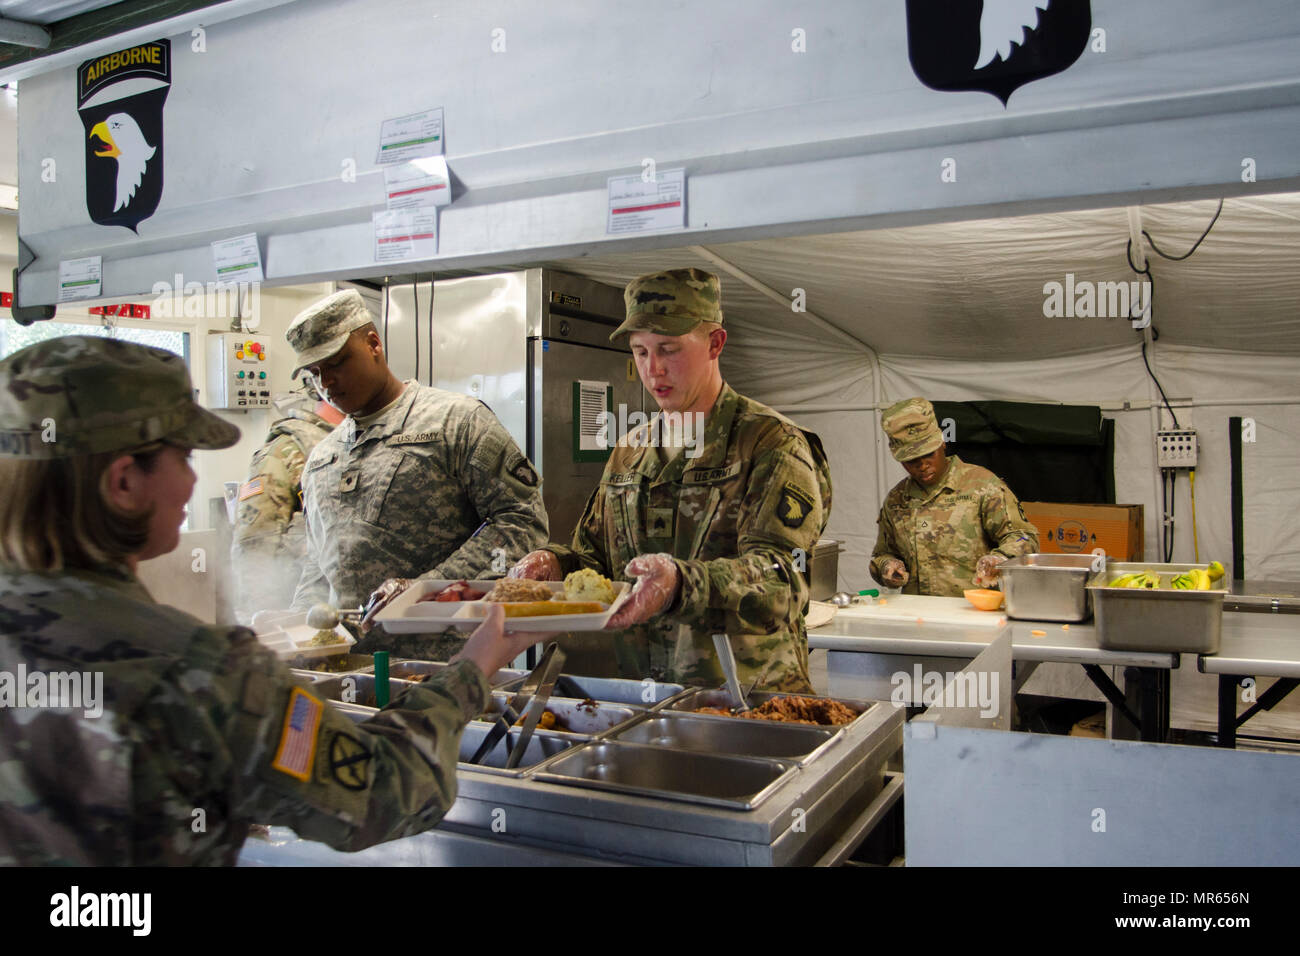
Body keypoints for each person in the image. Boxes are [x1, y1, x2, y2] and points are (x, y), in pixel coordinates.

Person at [0, 336, 537, 865]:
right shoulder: (201, 673)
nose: (192, 480)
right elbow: (388, 790)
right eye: (184, 456)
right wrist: (475, 665)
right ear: (123, 484)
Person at [509, 268, 832, 693]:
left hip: (749, 702)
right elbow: (596, 560)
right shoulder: (629, 452)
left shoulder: (770, 444)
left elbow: (782, 583)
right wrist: (556, 563)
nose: (653, 370)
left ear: (716, 343)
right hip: (649, 698)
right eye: (640, 352)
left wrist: (681, 584)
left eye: (669, 349)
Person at [283, 290, 549, 656]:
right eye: (315, 373)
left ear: (373, 343)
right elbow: (319, 562)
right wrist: (295, 628)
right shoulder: (320, 458)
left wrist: (425, 589)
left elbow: (523, 523)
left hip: (446, 666)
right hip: (348, 666)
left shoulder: (457, 422)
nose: (326, 383)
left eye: (336, 363)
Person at [869, 397, 1039, 596]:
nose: (922, 465)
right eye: (911, 460)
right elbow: (881, 554)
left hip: (973, 611)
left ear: (942, 444)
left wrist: (999, 559)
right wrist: (887, 566)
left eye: (928, 454)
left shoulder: (982, 486)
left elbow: (1024, 537)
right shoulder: (897, 500)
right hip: (917, 614)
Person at [230, 377, 344, 624]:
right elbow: (254, 546)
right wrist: (263, 624)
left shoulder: (356, 441)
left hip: (338, 610)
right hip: (292, 613)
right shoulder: (287, 450)